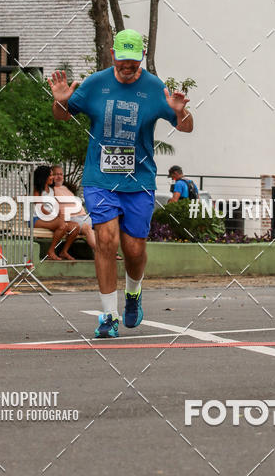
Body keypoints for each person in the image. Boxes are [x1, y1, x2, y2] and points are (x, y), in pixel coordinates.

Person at [49, 29, 194, 338]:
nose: (128, 67)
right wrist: (60, 102)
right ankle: (108, 316)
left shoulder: (155, 88)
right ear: (113, 55)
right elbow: (62, 115)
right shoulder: (95, 84)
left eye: (134, 62)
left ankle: (134, 293)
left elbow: (186, 127)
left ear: (141, 58)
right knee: (106, 240)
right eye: (123, 60)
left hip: (139, 180)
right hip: (100, 178)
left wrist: (181, 113)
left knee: (134, 248)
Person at [32, 164, 80, 261]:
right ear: (44, 177)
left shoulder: (51, 189)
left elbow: (56, 205)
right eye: (50, 175)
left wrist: (60, 216)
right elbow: (40, 208)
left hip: (51, 219)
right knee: (62, 225)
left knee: (75, 227)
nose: (52, 177)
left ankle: (64, 252)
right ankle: (50, 251)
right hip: (37, 219)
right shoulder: (37, 190)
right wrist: (55, 218)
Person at [52, 163, 97, 252]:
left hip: (84, 216)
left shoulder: (65, 188)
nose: (59, 176)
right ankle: (104, 253)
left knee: (104, 226)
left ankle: (111, 252)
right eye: (56, 174)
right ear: (51, 176)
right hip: (72, 218)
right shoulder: (51, 190)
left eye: (61, 174)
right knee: (88, 229)